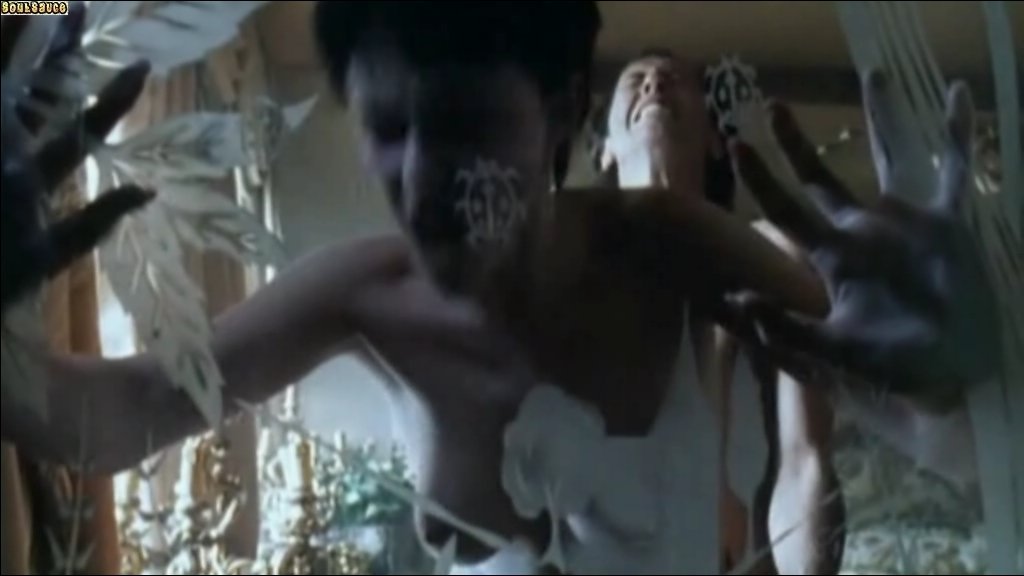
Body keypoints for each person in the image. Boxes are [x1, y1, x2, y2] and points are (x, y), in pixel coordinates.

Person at [0, 1, 999, 570]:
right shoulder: (362, 291)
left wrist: (946, 367)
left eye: (467, 124)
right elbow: (119, 417)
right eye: (389, 127)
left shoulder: (670, 241)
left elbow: (925, 429)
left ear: (562, 109)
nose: (423, 180)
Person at [594, 50, 843, 574]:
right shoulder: (561, 255)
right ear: (605, 151)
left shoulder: (771, 255)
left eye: (674, 80)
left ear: (712, 137)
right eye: (635, 80)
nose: (654, 84)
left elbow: (805, 456)